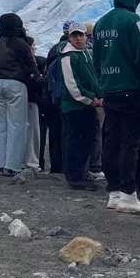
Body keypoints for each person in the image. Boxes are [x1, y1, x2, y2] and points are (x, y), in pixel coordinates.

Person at [93, 0, 140, 215]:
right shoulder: (134, 21)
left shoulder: (100, 24)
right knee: (131, 142)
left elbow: (96, 60)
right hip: (132, 88)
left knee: (112, 140)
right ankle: (129, 193)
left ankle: (115, 192)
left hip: (110, 90)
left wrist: (104, 82)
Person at [0, 13, 39, 176]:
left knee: (1, 126)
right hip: (16, 84)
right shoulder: (20, 44)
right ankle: (13, 166)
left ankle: (0, 163)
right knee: (17, 125)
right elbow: (31, 67)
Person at [58, 21, 104, 191]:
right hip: (75, 106)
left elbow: (93, 78)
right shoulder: (68, 56)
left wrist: (99, 94)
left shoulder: (84, 54)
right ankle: (75, 175)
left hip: (86, 105)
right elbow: (72, 85)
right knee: (76, 140)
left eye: (80, 35)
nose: (78, 38)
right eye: (74, 35)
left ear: (86, 36)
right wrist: (90, 98)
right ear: (69, 37)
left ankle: (81, 172)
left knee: (87, 139)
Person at [43, 23, 71, 174]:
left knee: (54, 132)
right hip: (64, 97)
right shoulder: (67, 50)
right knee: (66, 131)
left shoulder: (54, 49)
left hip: (52, 97)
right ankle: (65, 166)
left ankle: (56, 165)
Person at [84, 22, 105, 181]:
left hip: (87, 98)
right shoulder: (92, 51)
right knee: (98, 131)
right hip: (97, 97)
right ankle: (95, 166)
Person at [23, 36, 43, 173]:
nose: (35, 48)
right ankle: (31, 162)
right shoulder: (30, 63)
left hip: (25, 100)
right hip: (31, 101)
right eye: (33, 45)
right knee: (32, 132)